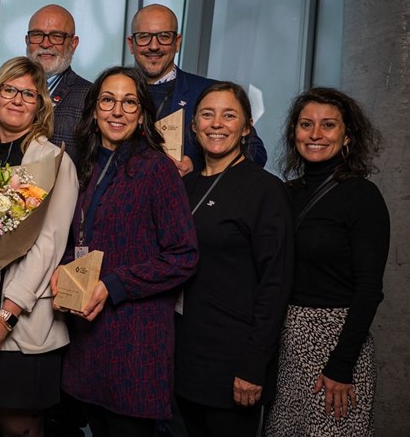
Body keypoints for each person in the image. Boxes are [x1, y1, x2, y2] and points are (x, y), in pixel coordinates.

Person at [52, 66, 198, 436]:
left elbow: (183, 256)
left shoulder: (157, 169)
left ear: (142, 115)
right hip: (88, 338)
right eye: (108, 100)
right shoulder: (86, 166)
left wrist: (113, 285)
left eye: (129, 102)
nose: (117, 111)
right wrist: (64, 269)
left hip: (135, 342)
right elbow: (84, 236)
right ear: (94, 111)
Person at [0, 57, 78, 437]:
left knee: (19, 426)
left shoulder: (54, 161)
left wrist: (5, 317)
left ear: (40, 106)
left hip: (21, 322)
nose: (18, 100)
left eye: (29, 94)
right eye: (9, 90)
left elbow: (49, 245)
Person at [265, 88, 389, 436]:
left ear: (347, 136)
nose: (315, 134)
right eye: (306, 124)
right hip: (285, 345)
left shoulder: (362, 196)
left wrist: (341, 365)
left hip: (337, 346)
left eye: (328, 125)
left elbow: (369, 289)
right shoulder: (284, 193)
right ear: (294, 133)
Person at [174, 82, 293, 436]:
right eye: (207, 115)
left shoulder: (266, 190)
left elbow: (276, 284)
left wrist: (254, 365)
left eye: (229, 115)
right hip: (184, 354)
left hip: (232, 360)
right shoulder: (184, 186)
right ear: (193, 125)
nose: (216, 124)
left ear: (246, 128)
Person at [127, 4, 266, 175]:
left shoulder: (210, 93)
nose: (154, 46)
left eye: (164, 36)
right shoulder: (111, 95)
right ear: (131, 44)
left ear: (177, 43)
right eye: (144, 37)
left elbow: (256, 153)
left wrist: (200, 167)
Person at [26, 4, 92, 166]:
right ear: (27, 40)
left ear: (73, 43)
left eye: (56, 36)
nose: (45, 44)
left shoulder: (90, 96)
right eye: (37, 35)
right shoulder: (6, 92)